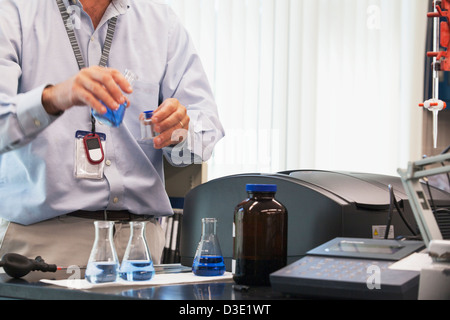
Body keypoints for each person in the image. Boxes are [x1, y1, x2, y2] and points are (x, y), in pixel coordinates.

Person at [0, 0, 224, 268]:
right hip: (43, 244)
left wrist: (181, 132)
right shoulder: (13, 11)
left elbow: (206, 132)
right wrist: (54, 98)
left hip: (139, 247)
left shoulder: (161, 22)